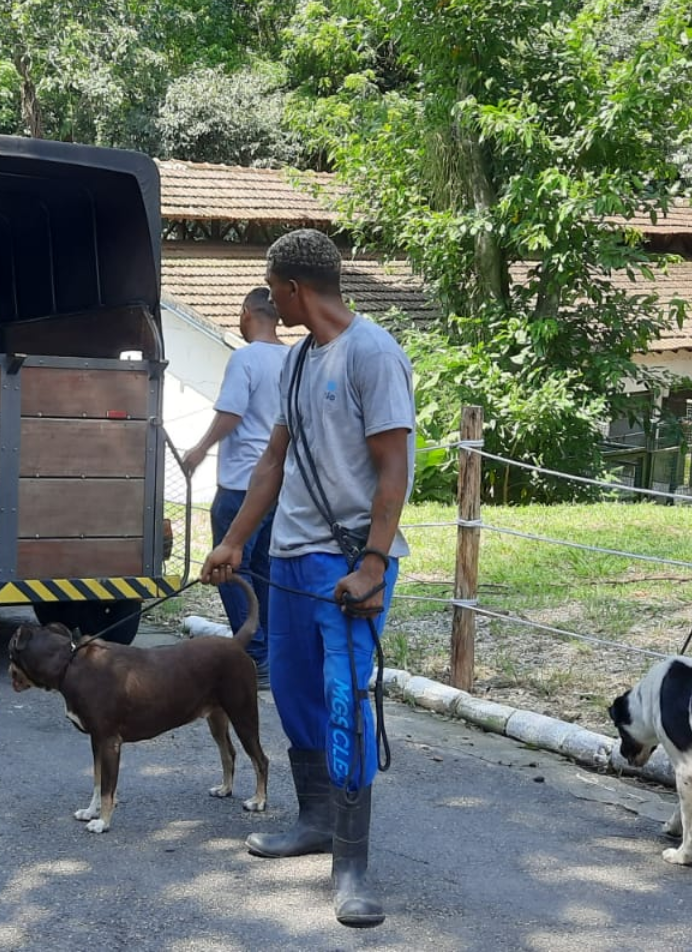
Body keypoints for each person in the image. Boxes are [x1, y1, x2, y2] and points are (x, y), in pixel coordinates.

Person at [200, 228, 415, 929]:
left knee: (346, 701)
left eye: (274, 287)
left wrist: (374, 565)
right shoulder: (294, 364)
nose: (273, 298)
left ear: (292, 289)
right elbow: (270, 465)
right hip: (289, 557)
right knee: (293, 692)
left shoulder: (372, 354)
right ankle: (316, 819)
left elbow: (394, 469)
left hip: (347, 563)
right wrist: (234, 542)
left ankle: (352, 862)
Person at [182, 287, 286, 683]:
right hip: (280, 485)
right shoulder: (294, 357)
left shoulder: (245, 358)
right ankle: (271, 652)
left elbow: (231, 413)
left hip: (242, 482)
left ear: (246, 312)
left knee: (229, 570)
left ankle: (254, 655)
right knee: (266, 571)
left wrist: (200, 449)